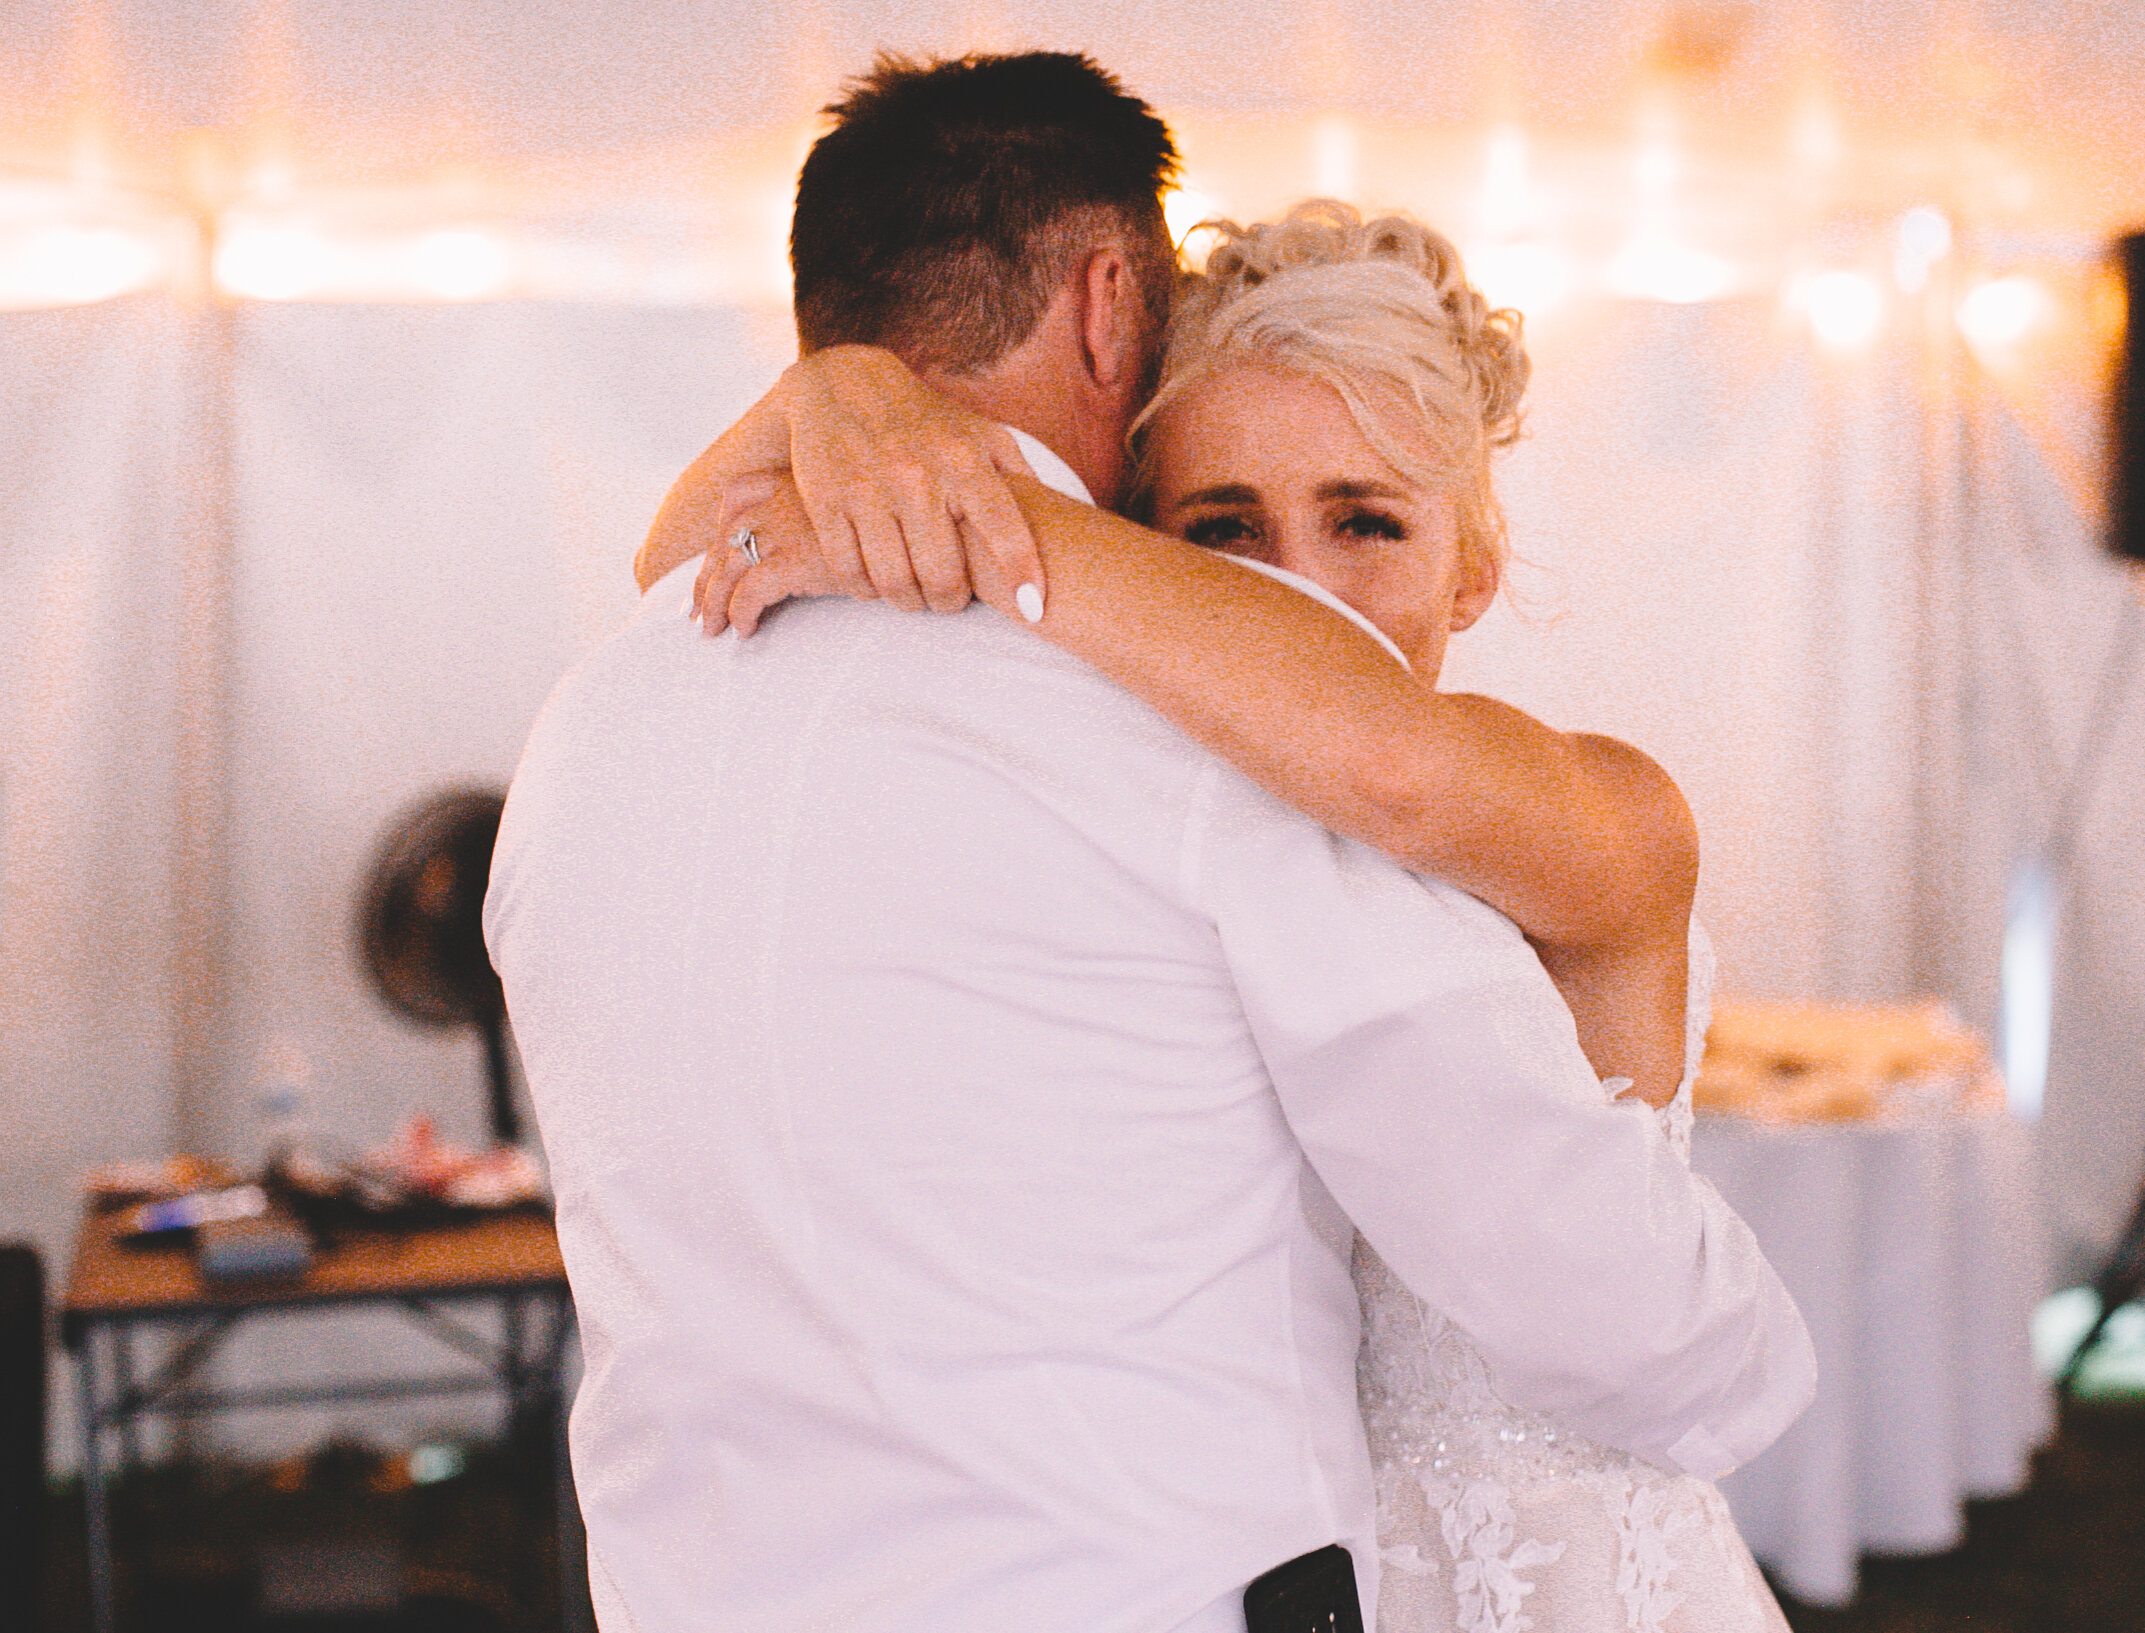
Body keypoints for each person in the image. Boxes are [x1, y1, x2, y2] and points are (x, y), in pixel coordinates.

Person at [492, 50, 1809, 1633]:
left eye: (1365, 517)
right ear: (1114, 306)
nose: (1293, 591)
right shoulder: (1195, 739)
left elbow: (1392, 762)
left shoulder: (594, 723)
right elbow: (1653, 1329)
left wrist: (845, 410)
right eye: (1224, 529)